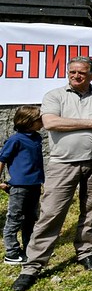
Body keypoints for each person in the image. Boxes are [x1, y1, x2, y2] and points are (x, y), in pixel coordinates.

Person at [13, 56, 92, 291]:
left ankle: (85, 251)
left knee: (91, 211)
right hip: (62, 163)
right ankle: (32, 266)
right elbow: (51, 123)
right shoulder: (54, 95)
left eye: (81, 72)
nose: (76, 76)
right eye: (72, 72)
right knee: (51, 213)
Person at [0, 106, 44, 266]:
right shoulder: (15, 140)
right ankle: (11, 253)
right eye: (39, 118)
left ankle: (29, 249)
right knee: (14, 219)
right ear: (28, 122)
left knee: (31, 218)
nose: (43, 121)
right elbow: (2, 159)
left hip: (34, 184)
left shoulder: (37, 138)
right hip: (19, 186)